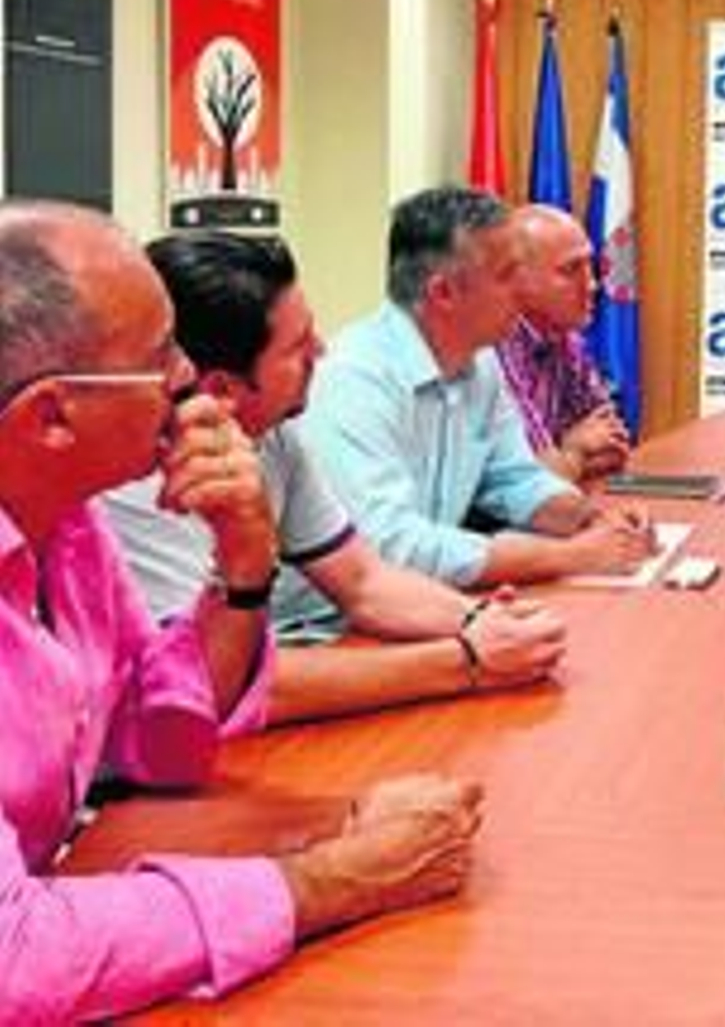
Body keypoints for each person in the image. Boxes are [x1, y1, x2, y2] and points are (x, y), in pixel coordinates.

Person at [0, 202, 484, 1019]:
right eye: (160, 358)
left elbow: (162, 740)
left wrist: (244, 562)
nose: (190, 377)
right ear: (51, 417)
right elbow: (16, 962)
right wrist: (336, 877)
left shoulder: (69, 525)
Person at [101, 231, 568, 726]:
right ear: (222, 389)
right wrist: (468, 660)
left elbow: (365, 581)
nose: (321, 353)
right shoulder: (136, 481)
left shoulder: (273, 433)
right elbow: (219, 687)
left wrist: (480, 621)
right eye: (298, 346)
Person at [304, 185, 656, 586]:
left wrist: (591, 518)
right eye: (507, 275)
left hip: (421, 602)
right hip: (325, 629)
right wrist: (569, 556)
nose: (521, 291)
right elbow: (390, 548)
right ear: (444, 293)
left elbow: (516, 479)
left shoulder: (479, 362)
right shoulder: (353, 380)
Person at [497, 204, 630, 482]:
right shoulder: (494, 345)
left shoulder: (567, 339)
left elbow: (612, 445)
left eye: (589, 266)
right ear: (518, 279)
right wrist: (573, 451)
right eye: (571, 270)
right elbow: (528, 485)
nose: (592, 285)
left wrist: (568, 458)